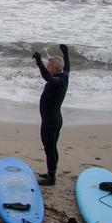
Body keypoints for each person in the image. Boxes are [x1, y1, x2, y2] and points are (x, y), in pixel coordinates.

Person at [33, 44, 70, 186]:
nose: (47, 68)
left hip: (50, 121)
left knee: (50, 148)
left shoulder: (58, 81)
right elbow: (68, 66)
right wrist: (65, 53)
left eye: (49, 66)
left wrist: (38, 62)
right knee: (51, 147)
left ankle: (51, 178)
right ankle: (51, 172)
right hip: (54, 119)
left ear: (54, 69)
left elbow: (47, 77)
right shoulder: (64, 74)